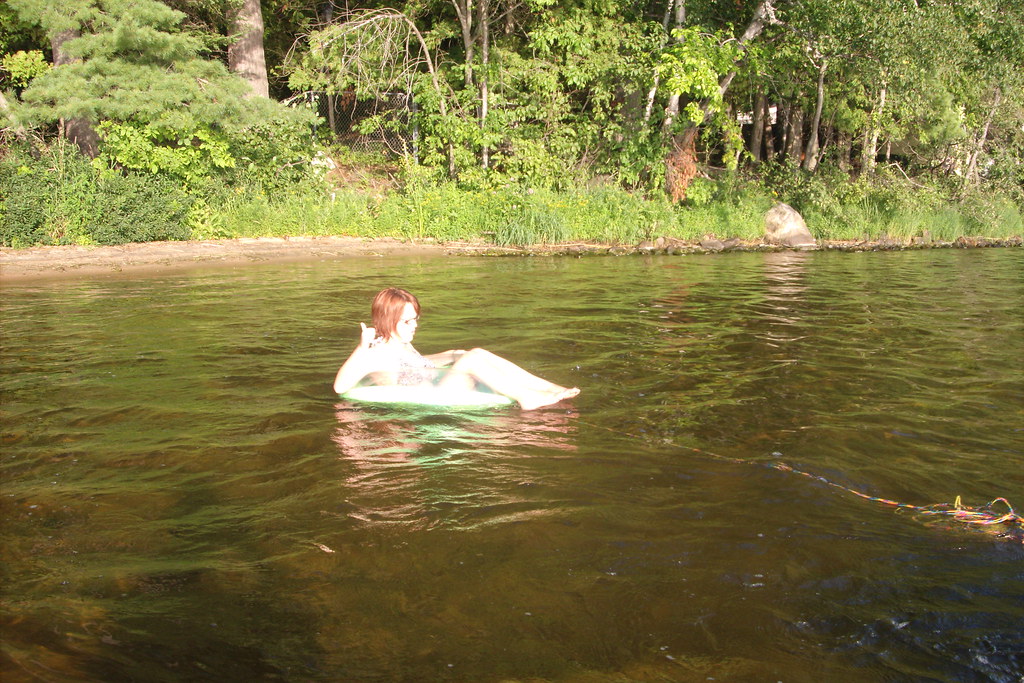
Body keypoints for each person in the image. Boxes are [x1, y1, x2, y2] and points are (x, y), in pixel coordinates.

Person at [334, 287, 580, 410]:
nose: (415, 325)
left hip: (434, 387)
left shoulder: (401, 344)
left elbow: (416, 365)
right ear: (387, 319)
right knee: (471, 360)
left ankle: (547, 387)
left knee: (474, 353)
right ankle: (527, 397)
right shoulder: (374, 350)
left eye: (416, 318)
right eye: (407, 321)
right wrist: (360, 347)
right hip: (431, 401)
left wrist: (453, 355)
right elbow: (340, 387)